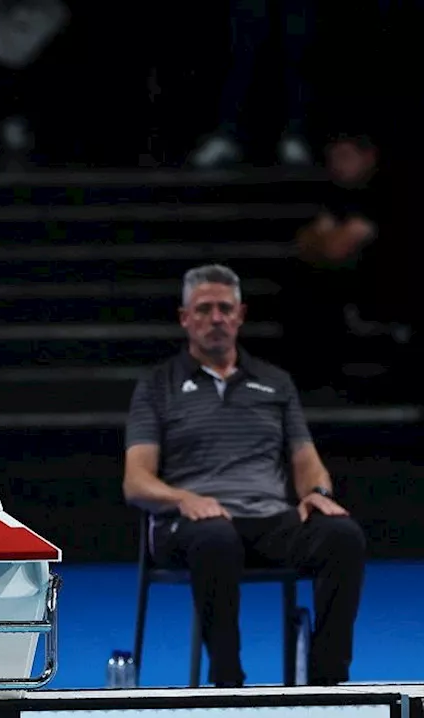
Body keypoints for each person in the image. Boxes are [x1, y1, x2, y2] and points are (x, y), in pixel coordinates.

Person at [122, 265, 365, 687]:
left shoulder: (276, 383)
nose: (215, 318)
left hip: (270, 521)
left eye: (224, 309)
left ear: (240, 315)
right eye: (204, 309)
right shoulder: (156, 386)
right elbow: (135, 481)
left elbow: (306, 459)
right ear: (185, 318)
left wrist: (317, 492)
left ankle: (328, 682)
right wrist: (183, 499)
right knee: (217, 537)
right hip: (193, 527)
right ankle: (227, 682)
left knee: (343, 535)